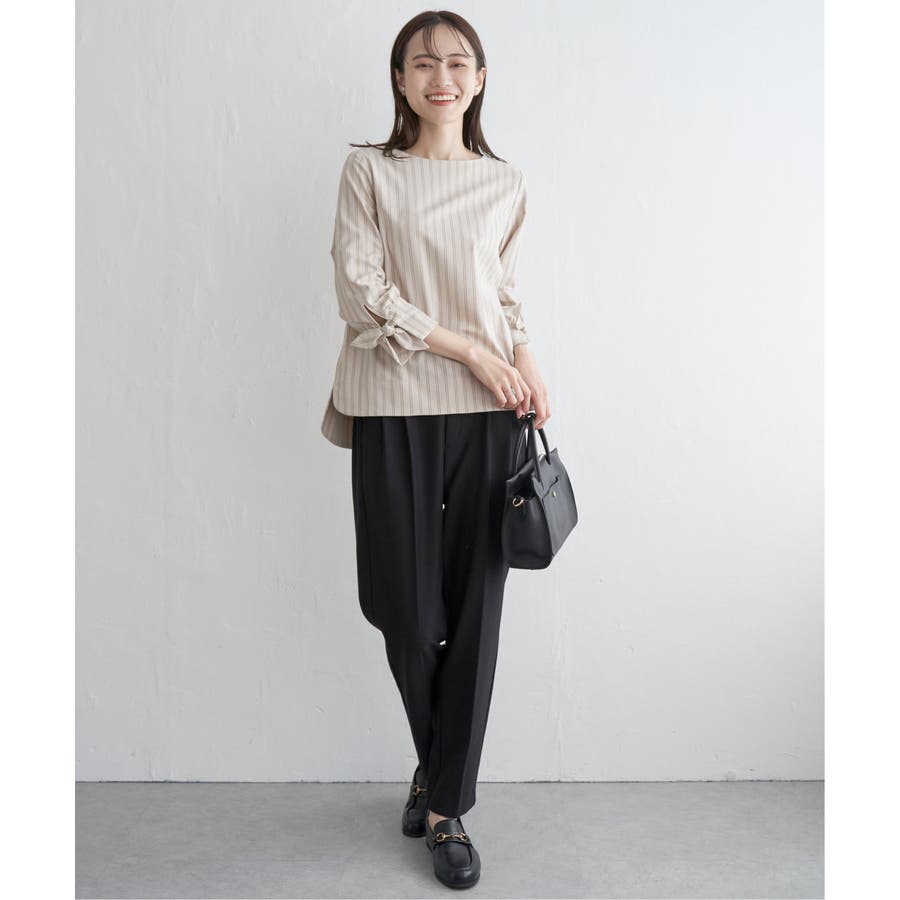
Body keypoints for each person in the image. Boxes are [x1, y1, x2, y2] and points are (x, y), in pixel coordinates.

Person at [320, 10, 550, 890]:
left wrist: (525, 365)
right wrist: (468, 352)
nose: (441, 76)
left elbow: (504, 294)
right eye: (423, 63)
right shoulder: (369, 172)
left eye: (458, 63)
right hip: (392, 406)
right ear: (400, 80)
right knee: (407, 611)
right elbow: (360, 291)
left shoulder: (505, 182)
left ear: (480, 79)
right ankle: (437, 764)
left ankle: (447, 803)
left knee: (477, 613)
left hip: (493, 413)